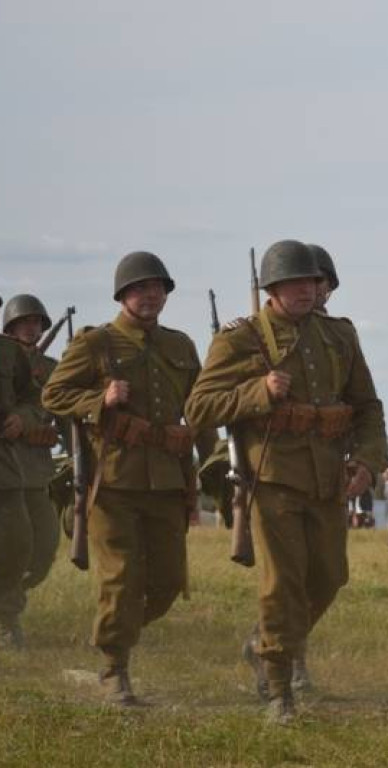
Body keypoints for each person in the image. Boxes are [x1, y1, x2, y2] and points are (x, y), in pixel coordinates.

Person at [185, 239, 388, 724]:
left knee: (329, 576)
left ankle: (265, 644)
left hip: (327, 478)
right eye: (295, 282)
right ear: (271, 287)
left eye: (313, 281)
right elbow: (198, 408)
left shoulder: (339, 336)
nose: (306, 289)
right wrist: (258, 391)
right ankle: (278, 689)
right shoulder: (242, 339)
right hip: (271, 477)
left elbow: (368, 407)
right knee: (282, 584)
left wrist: (367, 460)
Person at [42, 252, 217, 704]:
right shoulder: (96, 343)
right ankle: (113, 668)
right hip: (112, 481)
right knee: (121, 581)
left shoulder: (180, 346)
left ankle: (110, 634)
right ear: (122, 295)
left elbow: (199, 407)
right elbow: (54, 393)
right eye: (141, 288)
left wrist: (211, 462)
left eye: (158, 287)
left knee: (167, 583)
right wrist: (101, 398)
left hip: (166, 481)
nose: (151, 294)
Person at [0, 296, 63, 648]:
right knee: (12, 545)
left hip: (24, 471)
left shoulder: (34, 362)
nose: (30, 328)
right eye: (23, 322)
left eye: (36, 322)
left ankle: (7, 603)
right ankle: (6, 618)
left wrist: (22, 419)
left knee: (33, 546)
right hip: (11, 469)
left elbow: (37, 399)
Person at [0, 294, 34, 650]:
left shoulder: (10, 353)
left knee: (16, 544)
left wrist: (21, 417)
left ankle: (5, 620)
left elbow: (34, 397)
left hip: (4, 466)